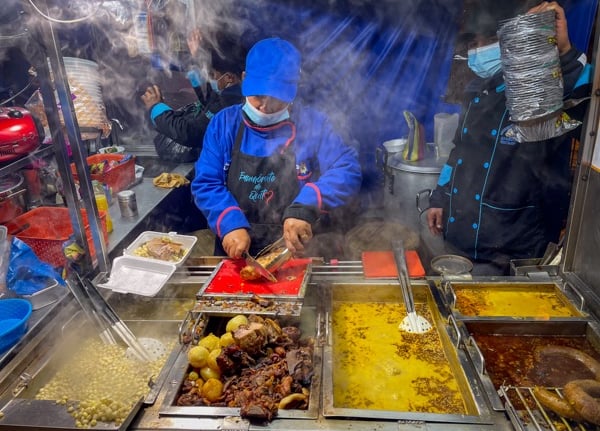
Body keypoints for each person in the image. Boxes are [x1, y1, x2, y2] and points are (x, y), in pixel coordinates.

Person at [426, 1, 591, 275]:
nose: (479, 49)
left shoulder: (538, 91)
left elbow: (585, 108)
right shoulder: (475, 92)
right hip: (459, 242)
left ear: (512, 40)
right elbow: (459, 151)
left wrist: (565, 51)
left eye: (489, 40)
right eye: (475, 43)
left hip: (511, 252)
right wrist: (440, 199)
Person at [191, 37, 362, 258]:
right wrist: (229, 222)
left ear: (293, 91)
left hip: (297, 250)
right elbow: (206, 182)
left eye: (276, 98)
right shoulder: (223, 124)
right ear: (244, 79)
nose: (265, 106)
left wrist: (306, 205)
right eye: (258, 95)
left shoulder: (314, 124)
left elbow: (347, 169)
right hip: (236, 249)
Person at [141, 29, 246, 162]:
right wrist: (196, 59)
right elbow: (208, 101)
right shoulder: (232, 92)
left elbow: (189, 132)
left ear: (229, 77)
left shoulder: (230, 104)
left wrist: (156, 108)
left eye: (213, 74)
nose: (211, 79)